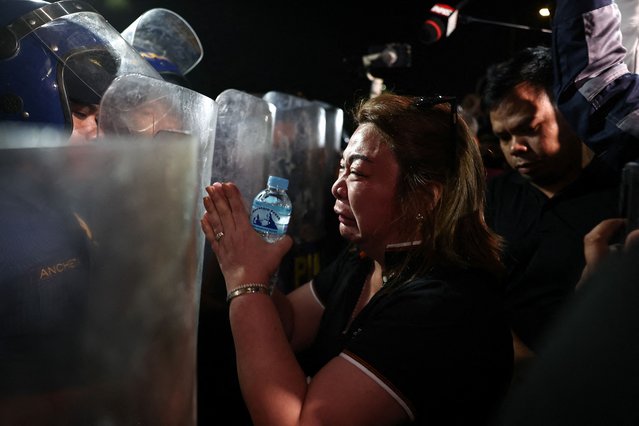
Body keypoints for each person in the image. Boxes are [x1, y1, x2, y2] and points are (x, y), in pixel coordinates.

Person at [200, 92, 513, 425]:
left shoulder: (442, 307)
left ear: (424, 197)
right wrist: (248, 262)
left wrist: (245, 278)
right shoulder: (363, 259)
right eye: (341, 168)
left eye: (359, 174)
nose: (336, 186)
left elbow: (299, 422)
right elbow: (289, 323)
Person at [479, 45, 623, 372]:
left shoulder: (619, 195)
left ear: (569, 111)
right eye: (503, 136)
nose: (514, 147)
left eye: (529, 128)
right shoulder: (490, 199)